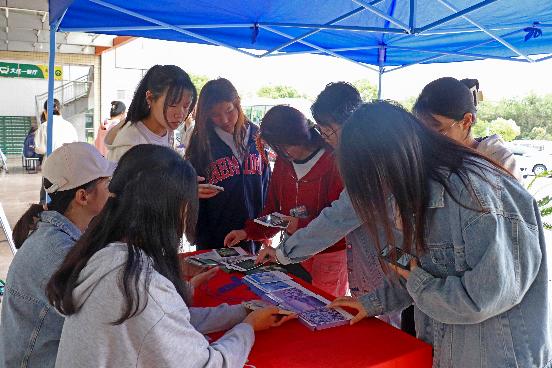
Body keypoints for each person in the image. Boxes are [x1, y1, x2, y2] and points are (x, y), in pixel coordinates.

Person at [329, 101, 550, 368]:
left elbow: (483, 297)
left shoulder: (475, 196)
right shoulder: (420, 191)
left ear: (392, 159)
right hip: (446, 349)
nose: (382, 189)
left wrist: (418, 281)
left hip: (493, 356)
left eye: (377, 178)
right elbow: (411, 268)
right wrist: (372, 303)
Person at [45, 145, 293, 368]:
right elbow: (207, 363)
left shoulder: (105, 255)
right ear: (174, 210)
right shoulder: (138, 282)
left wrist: (239, 313)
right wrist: (247, 328)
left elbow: (168, 322)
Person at [0, 142, 115, 368]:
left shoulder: (55, 234)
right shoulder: (60, 252)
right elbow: (107, 319)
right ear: (82, 196)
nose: (113, 190)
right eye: (107, 183)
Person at [224, 105, 347, 296]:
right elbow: (273, 211)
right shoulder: (283, 162)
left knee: (325, 309)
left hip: (329, 255)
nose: (285, 152)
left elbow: (340, 218)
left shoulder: (333, 161)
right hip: (293, 251)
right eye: (278, 148)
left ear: (301, 135)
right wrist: (247, 232)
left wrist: (301, 224)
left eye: (288, 145)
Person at [186, 78, 271, 252]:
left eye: (229, 110)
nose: (224, 119)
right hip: (213, 238)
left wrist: (264, 229)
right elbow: (190, 188)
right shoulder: (201, 142)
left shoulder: (257, 136)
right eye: (215, 115)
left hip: (252, 233)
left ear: (237, 103)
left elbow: (266, 183)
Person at [413, 77, 521, 180]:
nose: (428, 140)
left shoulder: (499, 160)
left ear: (466, 121)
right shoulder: (429, 158)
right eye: (422, 132)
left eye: (437, 131)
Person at [105, 65, 196, 162]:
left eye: (186, 106)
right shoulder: (130, 145)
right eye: (172, 104)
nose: (180, 114)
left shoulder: (167, 131)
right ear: (150, 98)